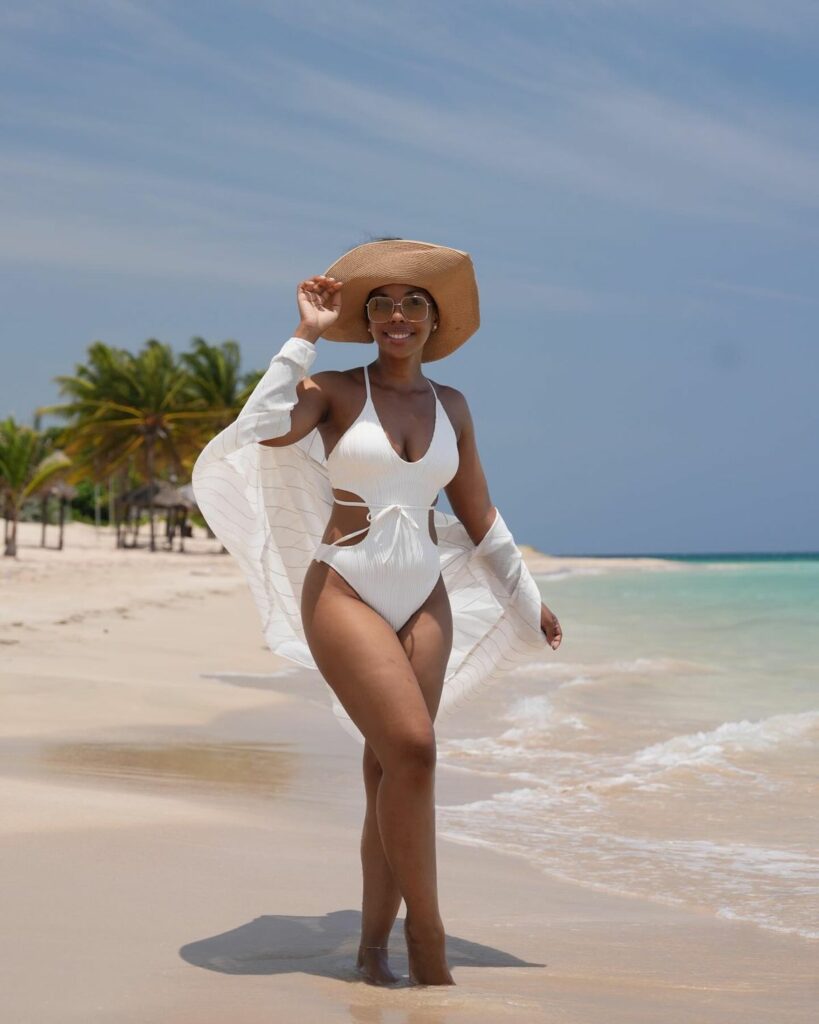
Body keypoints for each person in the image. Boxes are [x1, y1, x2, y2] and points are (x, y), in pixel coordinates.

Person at [192, 238, 562, 987]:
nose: (397, 315)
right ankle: (426, 939)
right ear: (366, 320)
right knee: (416, 751)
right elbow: (261, 428)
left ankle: (370, 949)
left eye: (413, 302)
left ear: (433, 320)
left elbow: (479, 514)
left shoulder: (451, 405)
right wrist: (303, 333)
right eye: (383, 303)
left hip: (422, 594)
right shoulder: (330, 389)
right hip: (345, 588)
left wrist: (526, 598)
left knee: (389, 768)